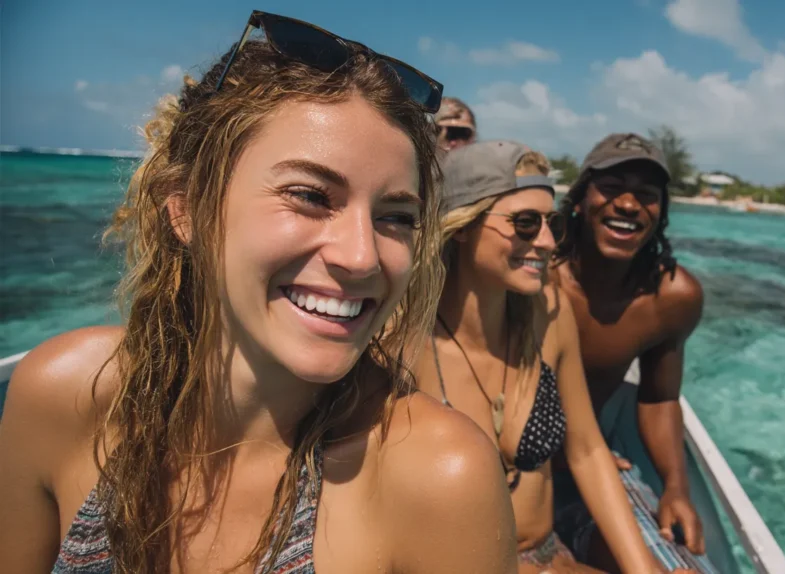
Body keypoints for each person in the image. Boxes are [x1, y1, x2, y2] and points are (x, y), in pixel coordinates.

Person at [0, 12, 516, 573]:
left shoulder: (439, 475)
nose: (363, 255)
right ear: (188, 207)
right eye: (311, 196)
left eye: (396, 217)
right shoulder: (64, 397)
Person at [415, 139, 681, 574]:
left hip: (547, 556)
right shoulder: (400, 338)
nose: (545, 242)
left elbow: (588, 451)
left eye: (550, 224)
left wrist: (644, 570)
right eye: (524, 223)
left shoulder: (549, 317)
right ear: (461, 223)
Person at [551, 133, 739, 573]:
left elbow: (659, 397)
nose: (630, 205)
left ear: (662, 213)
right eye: (613, 189)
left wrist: (676, 487)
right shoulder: (534, 276)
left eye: (647, 196)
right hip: (508, 468)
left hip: (592, 468)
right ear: (579, 200)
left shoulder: (671, 296)